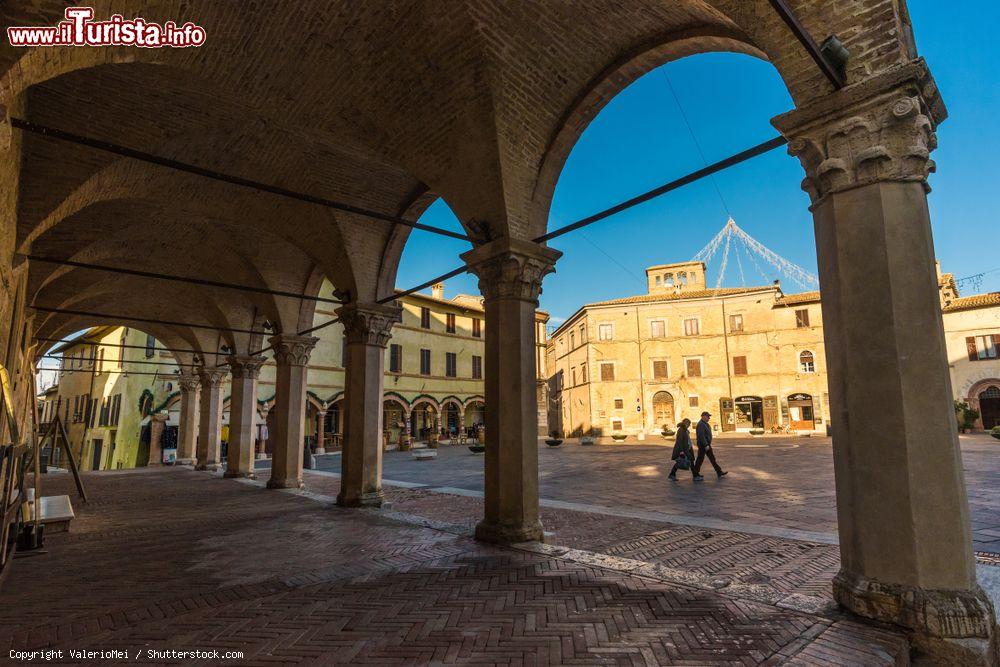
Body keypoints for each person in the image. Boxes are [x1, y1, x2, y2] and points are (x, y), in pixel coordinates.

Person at [694, 411, 728, 479]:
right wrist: (706, 444)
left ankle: (719, 472)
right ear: (703, 416)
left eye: (709, 416)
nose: (709, 418)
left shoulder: (705, 424)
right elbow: (701, 436)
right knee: (700, 459)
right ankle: (695, 474)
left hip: (707, 444)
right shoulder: (701, 424)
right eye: (708, 416)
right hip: (703, 445)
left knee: (712, 458)